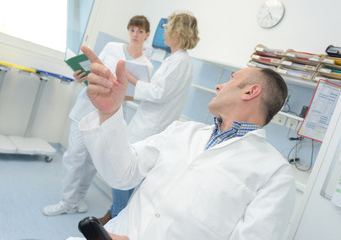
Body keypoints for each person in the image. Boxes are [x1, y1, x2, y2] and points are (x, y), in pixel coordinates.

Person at [67, 44, 296, 239]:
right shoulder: (183, 131)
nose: (219, 86)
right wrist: (110, 113)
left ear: (250, 92)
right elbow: (122, 175)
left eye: (231, 79)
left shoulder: (275, 173)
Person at [43, 15, 153, 216]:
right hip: (86, 107)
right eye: (132, 30)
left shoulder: (146, 66)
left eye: (140, 31)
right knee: (74, 156)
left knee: (92, 164)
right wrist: (81, 76)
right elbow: (91, 70)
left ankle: (77, 200)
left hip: (109, 116)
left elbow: (137, 96)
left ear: (147, 34)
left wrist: (117, 88)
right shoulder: (112, 47)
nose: (135, 35)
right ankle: (66, 202)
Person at [99, 11, 200, 224]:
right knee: (125, 173)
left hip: (151, 127)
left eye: (167, 27)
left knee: (122, 169)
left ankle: (117, 216)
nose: (164, 31)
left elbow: (158, 93)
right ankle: (114, 213)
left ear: (178, 32)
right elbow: (157, 90)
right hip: (147, 122)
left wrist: (133, 79)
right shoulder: (175, 60)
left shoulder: (180, 62)